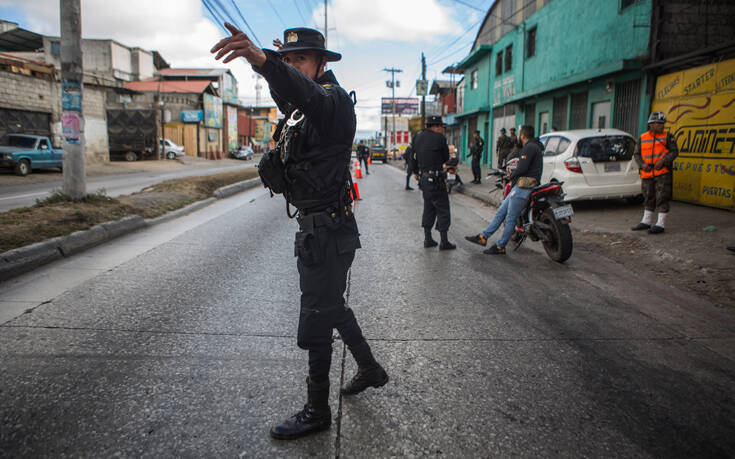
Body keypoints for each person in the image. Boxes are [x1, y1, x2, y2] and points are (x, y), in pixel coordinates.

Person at [211, 24, 388, 440]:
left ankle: (317, 410)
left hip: (328, 231)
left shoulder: (334, 103)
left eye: (301, 59)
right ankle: (369, 367)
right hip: (317, 231)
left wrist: (265, 61)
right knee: (330, 306)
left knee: (316, 318)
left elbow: (305, 93)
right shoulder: (302, 109)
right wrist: (274, 70)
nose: (293, 66)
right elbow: (289, 94)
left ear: (322, 63)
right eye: (288, 59)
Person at [465, 125, 543, 254]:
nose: (517, 135)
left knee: (511, 218)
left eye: (518, 133)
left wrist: (511, 175)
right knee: (501, 212)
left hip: (524, 186)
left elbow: (522, 168)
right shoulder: (533, 146)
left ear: (522, 135)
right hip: (520, 186)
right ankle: (483, 237)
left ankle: (500, 246)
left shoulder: (529, 147)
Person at [410, 115, 456, 250]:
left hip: (424, 179)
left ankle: (428, 238)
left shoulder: (417, 137)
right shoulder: (440, 138)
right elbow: (445, 157)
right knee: (442, 209)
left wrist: (415, 172)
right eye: (441, 126)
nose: (442, 129)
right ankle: (444, 241)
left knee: (428, 207)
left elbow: (412, 157)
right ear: (435, 126)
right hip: (436, 178)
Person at [631, 112, 679, 234]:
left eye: (662, 124)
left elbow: (674, 152)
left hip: (662, 173)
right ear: (651, 125)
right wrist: (642, 164)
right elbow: (636, 154)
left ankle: (660, 224)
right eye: (658, 123)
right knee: (648, 196)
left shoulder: (668, 137)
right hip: (647, 173)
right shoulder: (643, 138)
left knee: (662, 197)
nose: (662, 126)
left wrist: (663, 161)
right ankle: (646, 221)